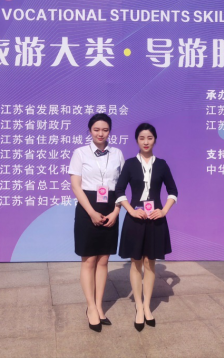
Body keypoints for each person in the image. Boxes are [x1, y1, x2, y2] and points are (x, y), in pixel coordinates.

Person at [115, 123, 178, 331]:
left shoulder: (162, 165)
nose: (145, 141)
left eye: (149, 138)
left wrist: (164, 210)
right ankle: (138, 308)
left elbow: (173, 191)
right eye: (142, 138)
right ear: (137, 140)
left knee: (150, 264)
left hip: (155, 220)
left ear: (155, 140)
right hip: (135, 219)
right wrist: (131, 211)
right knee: (136, 263)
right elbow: (119, 190)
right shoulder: (130, 164)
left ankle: (147, 306)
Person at [69, 113, 125, 333]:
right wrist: (91, 212)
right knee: (89, 259)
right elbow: (76, 186)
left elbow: (121, 187)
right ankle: (91, 307)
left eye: (105, 130)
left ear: (110, 131)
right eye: (96, 130)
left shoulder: (117, 153)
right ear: (90, 130)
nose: (101, 134)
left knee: (103, 260)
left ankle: (99, 306)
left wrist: (116, 211)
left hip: (111, 206)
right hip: (87, 207)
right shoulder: (80, 153)